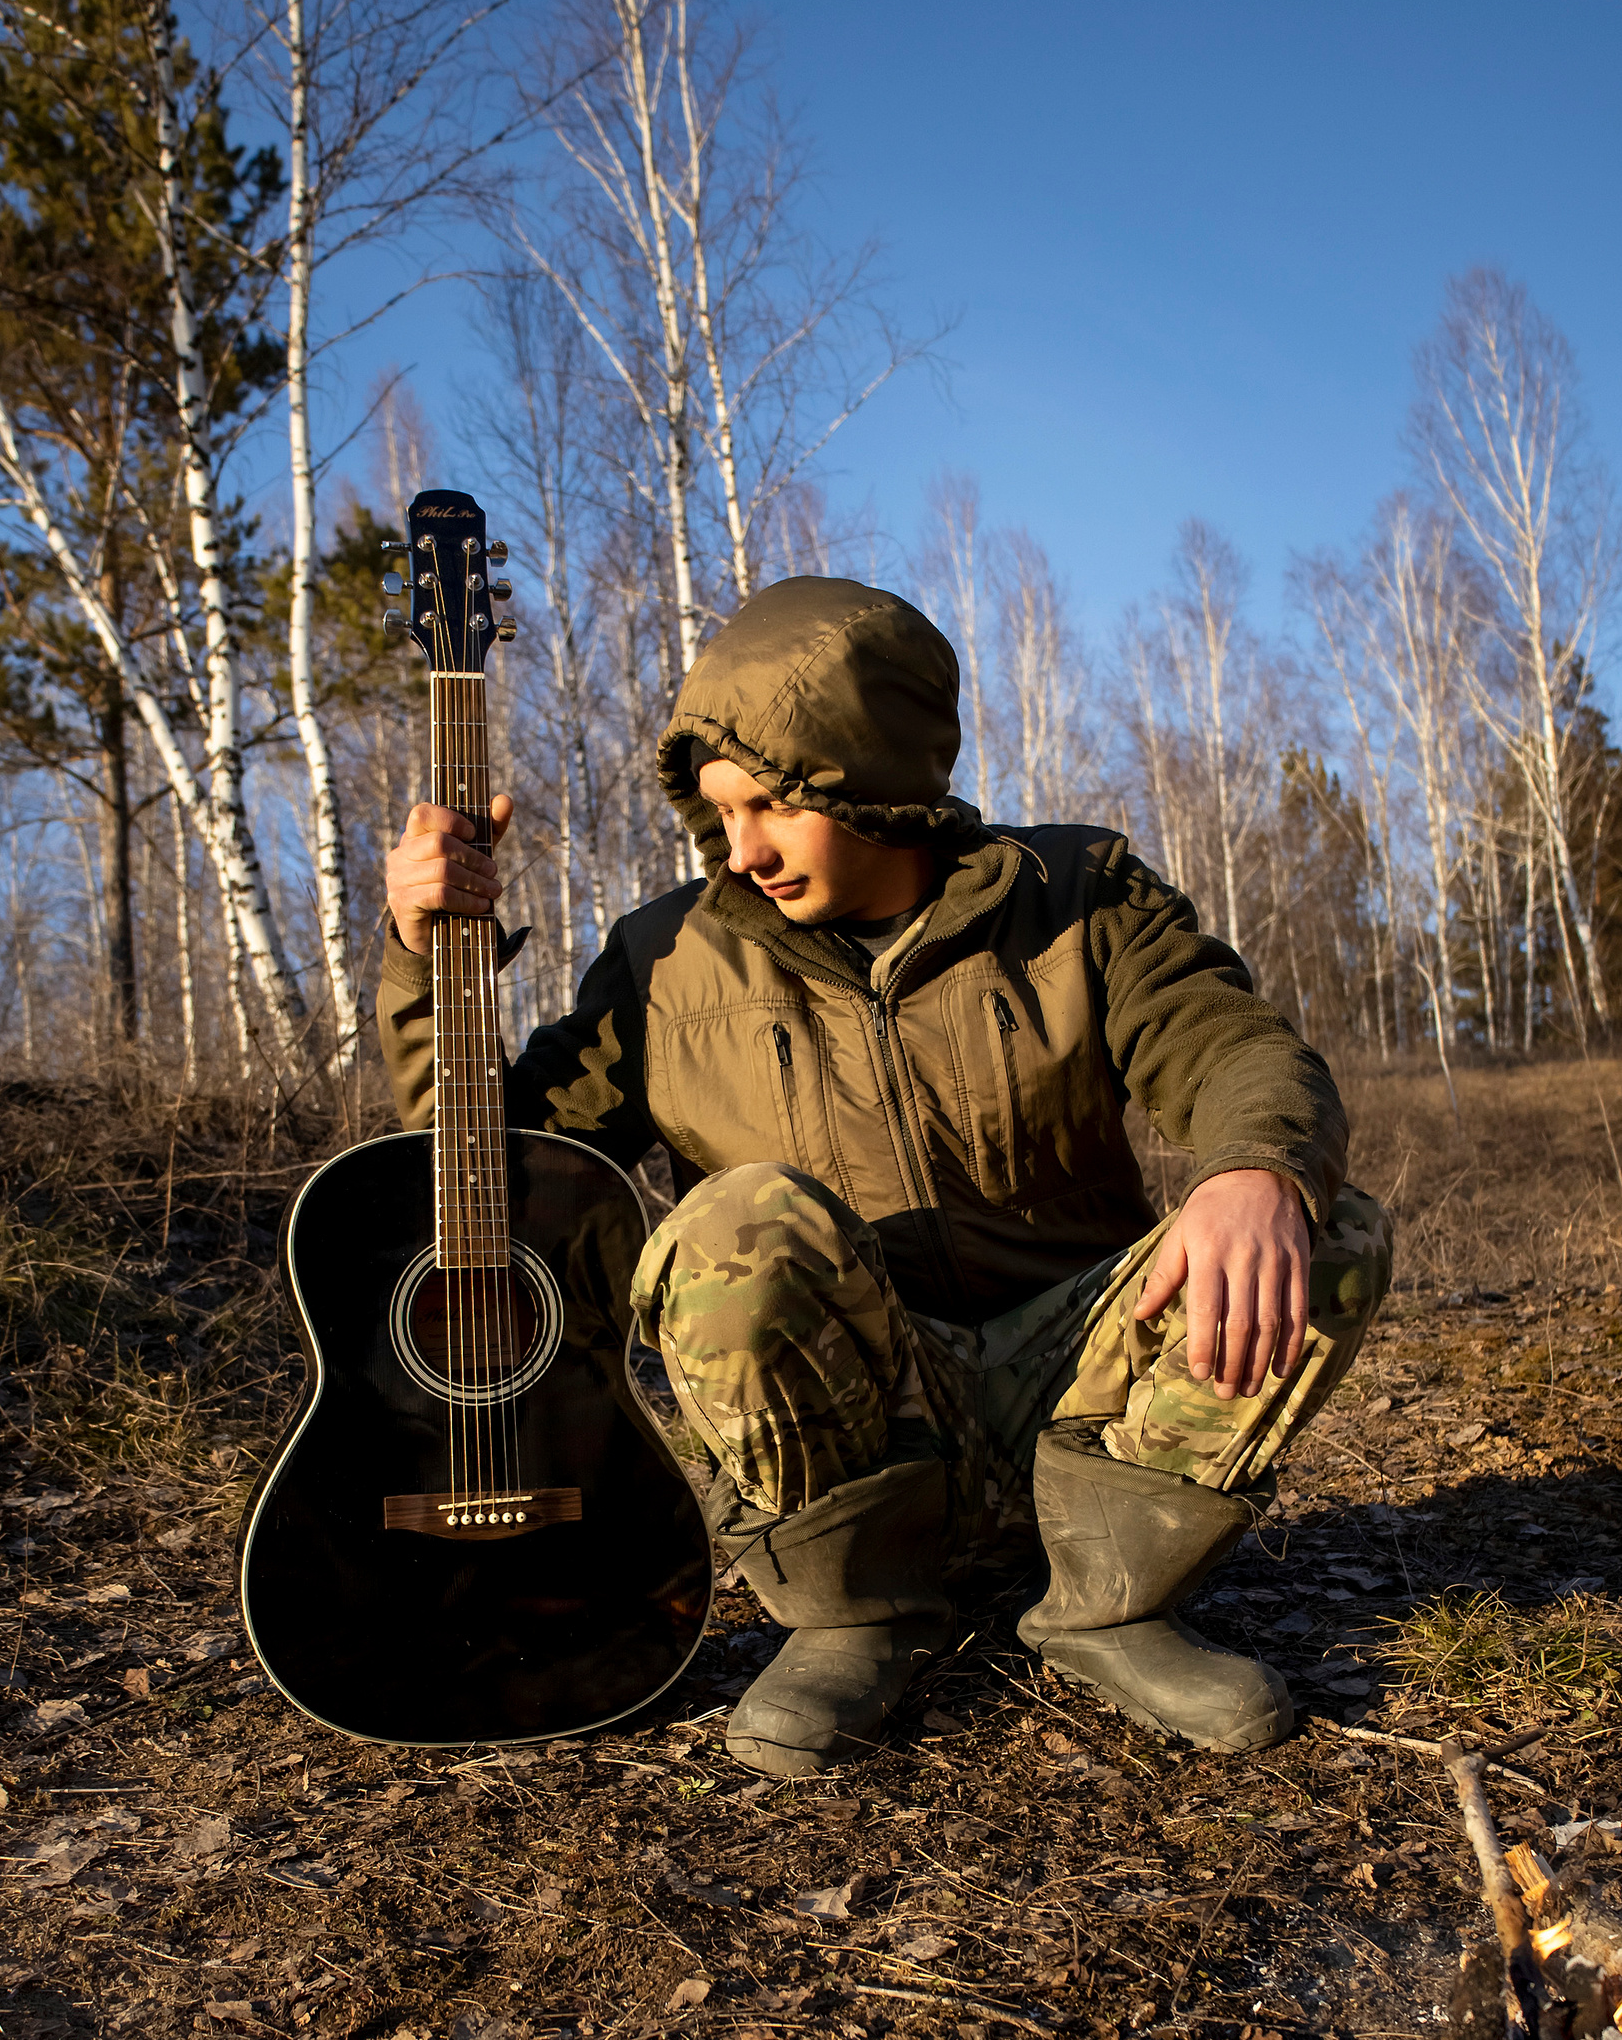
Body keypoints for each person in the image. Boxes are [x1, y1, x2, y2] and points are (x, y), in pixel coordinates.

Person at [382, 574, 1390, 1780]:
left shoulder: (1076, 895)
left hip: (1078, 1392)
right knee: (735, 1223)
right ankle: (854, 1609)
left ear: (868, 776)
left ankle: (1106, 1601)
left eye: (772, 805)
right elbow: (494, 1183)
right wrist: (421, 956)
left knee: (1324, 1226)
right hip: (851, 1423)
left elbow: (1234, 1048)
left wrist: (1254, 1168)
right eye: (719, 812)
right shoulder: (661, 961)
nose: (742, 848)